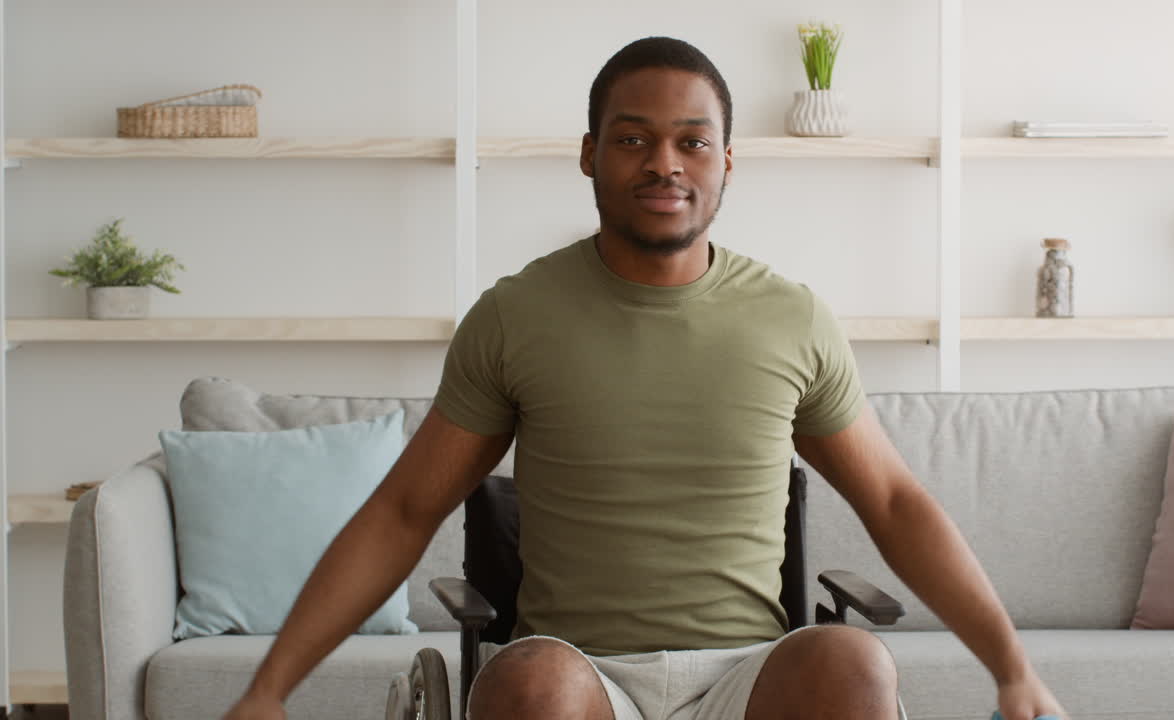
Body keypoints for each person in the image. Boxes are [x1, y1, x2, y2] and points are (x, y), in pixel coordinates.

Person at [225, 37, 1069, 720]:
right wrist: (269, 690)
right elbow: (404, 511)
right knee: (532, 681)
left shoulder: (792, 319)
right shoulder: (515, 316)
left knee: (851, 661)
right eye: (633, 139)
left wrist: (1013, 669)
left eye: (691, 142)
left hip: (748, 678)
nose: (665, 163)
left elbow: (894, 503)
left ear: (727, 162)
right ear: (589, 154)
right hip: (581, 679)